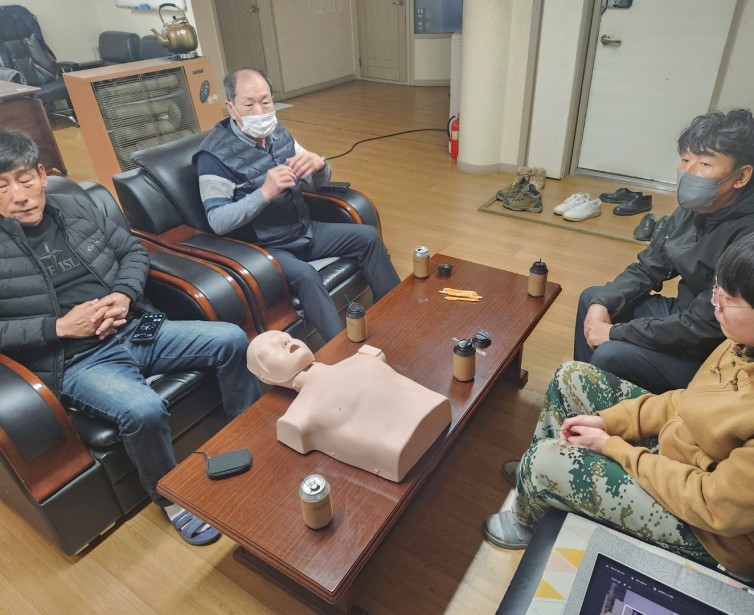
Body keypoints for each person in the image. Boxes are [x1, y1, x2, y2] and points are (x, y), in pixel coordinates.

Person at [485, 223, 754, 586]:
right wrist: (611, 422)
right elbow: (689, 401)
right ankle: (541, 487)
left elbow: (712, 505)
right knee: (571, 377)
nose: (715, 302)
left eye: (731, 298)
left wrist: (614, 448)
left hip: (721, 538)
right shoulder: (753, 342)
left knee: (546, 461)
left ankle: (532, 513)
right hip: (682, 460)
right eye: (718, 289)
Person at [0, 129, 262, 546]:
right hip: (76, 359)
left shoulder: (74, 207)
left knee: (230, 339)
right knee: (143, 409)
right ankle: (171, 499)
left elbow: (133, 251)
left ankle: (247, 434)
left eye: (25, 179)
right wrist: (59, 327)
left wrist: (123, 295)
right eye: (2, 187)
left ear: (42, 175)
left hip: (136, 327)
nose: (19, 196)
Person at [576, 110, 754, 393]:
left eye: (704, 163)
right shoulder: (701, 205)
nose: (688, 172)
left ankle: (621, 407)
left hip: (717, 351)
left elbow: (705, 326)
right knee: (593, 299)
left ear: (741, 176)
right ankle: (580, 390)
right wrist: (603, 303)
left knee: (610, 352)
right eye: (685, 159)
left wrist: (615, 333)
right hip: (686, 315)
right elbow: (649, 267)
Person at [195, 68, 401, 344]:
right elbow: (217, 220)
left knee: (368, 237)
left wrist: (321, 166)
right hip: (266, 248)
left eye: (265, 101)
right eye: (249, 104)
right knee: (306, 275)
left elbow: (314, 183)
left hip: (303, 230)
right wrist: (264, 193)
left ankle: (397, 316)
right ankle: (342, 351)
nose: (260, 111)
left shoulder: (278, 133)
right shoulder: (212, 157)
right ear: (231, 107)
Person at [246, 330, 452, 482]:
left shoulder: (363, 356)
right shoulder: (296, 418)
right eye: (271, 348)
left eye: (288, 337)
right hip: (403, 453)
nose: (285, 341)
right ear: (264, 377)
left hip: (436, 409)